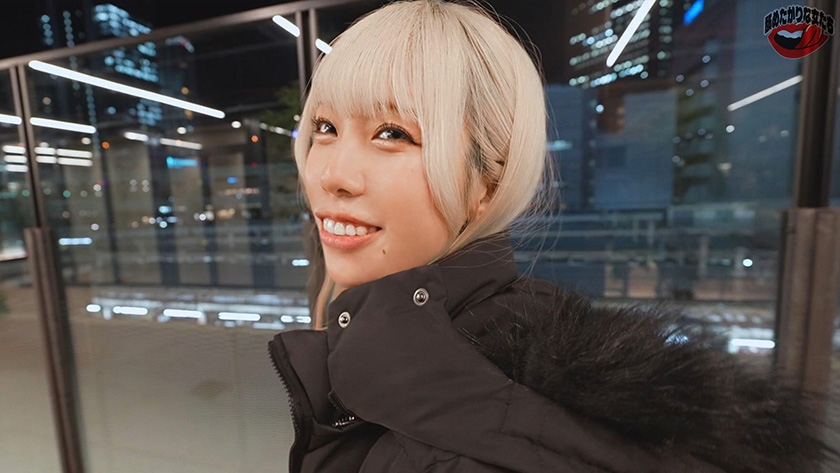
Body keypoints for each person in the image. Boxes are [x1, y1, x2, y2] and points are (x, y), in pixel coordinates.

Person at [269, 1, 832, 472]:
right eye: (326, 128)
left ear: (488, 183)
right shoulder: (531, 328)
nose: (332, 174)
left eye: (393, 133)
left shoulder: (439, 448)